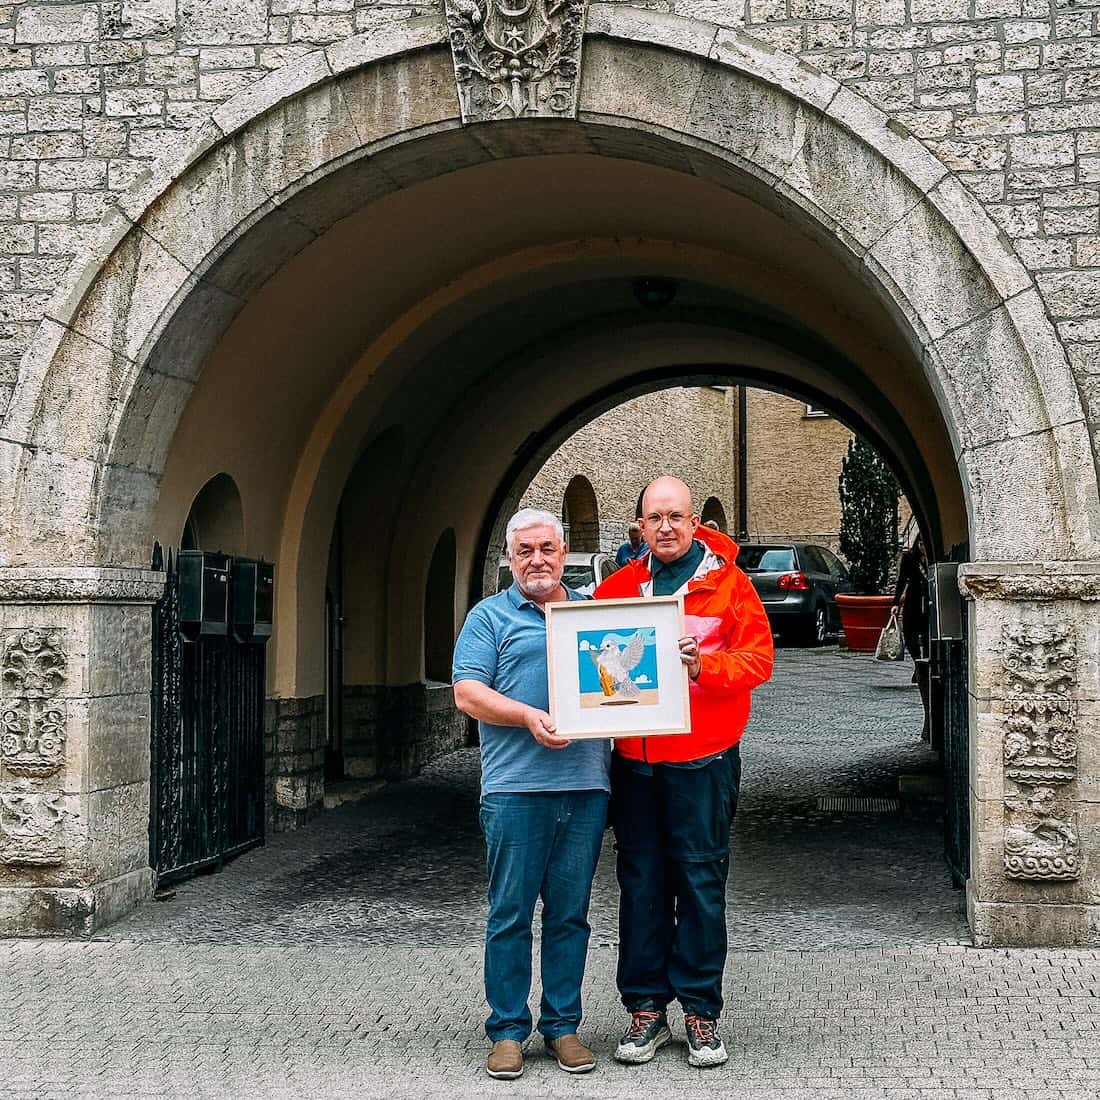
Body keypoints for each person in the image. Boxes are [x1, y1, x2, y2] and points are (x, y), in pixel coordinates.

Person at [593, 476, 774, 1069]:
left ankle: (701, 1009)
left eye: (676, 516)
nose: (665, 527)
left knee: (699, 884)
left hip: (704, 760)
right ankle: (645, 1007)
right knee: (641, 884)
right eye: (654, 518)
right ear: (639, 527)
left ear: (696, 523)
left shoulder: (731, 586)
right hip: (637, 765)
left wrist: (707, 666)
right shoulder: (617, 588)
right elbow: (592, 664)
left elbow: (759, 661)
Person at [452, 508, 611, 1081]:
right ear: (511, 559)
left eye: (546, 548)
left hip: (586, 787)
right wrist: (526, 716)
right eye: (525, 552)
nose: (537, 560)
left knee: (571, 915)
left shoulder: (596, 616)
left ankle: (563, 1025)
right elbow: (467, 693)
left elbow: (632, 680)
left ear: (563, 551)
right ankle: (507, 1030)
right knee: (511, 913)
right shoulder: (489, 619)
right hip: (515, 790)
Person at [893, 533, 931, 740]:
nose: (923, 547)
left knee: (926, 638)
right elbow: (902, 581)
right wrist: (895, 603)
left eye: (926, 543)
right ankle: (918, 664)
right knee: (911, 639)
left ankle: (922, 667)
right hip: (913, 608)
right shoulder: (910, 559)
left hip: (930, 610)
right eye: (921, 543)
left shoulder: (932, 559)